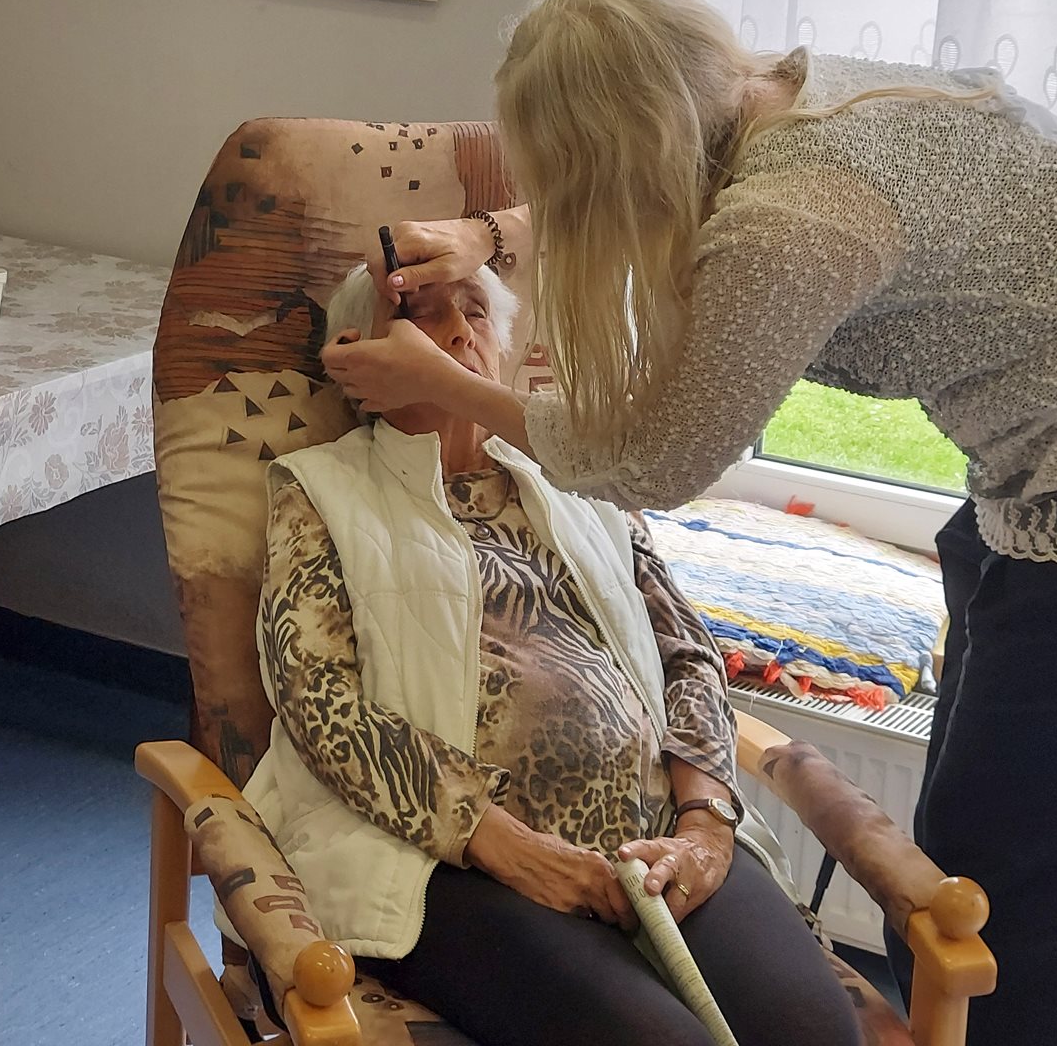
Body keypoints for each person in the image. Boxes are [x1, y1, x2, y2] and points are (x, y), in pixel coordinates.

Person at [319, 0, 1057, 1046]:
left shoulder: (794, 219)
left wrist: (452, 391)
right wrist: (491, 240)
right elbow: (647, 173)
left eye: (472, 313)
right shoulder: (771, 99)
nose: (459, 335)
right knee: (1034, 840)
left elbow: (658, 460)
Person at [248, 260, 861, 1046]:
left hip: (655, 832)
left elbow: (690, 654)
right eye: (426, 314)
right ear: (359, 358)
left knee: (815, 1032)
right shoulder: (320, 489)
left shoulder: (580, 478)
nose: (459, 331)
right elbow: (317, 700)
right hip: (449, 858)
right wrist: (502, 842)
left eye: (476, 311)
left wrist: (705, 823)